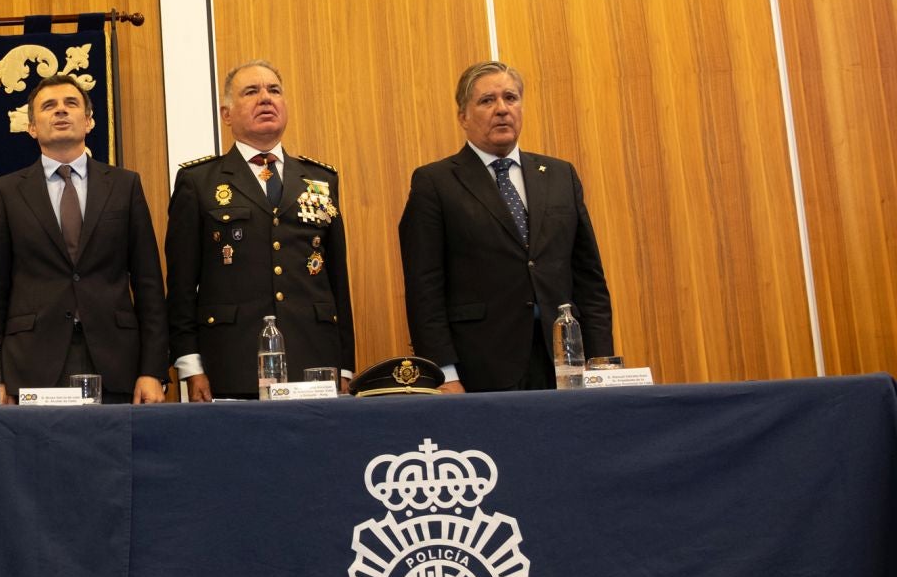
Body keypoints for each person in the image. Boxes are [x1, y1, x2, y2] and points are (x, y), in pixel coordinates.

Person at [398, 60, 613, 392]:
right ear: (463, 116)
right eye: (487, 100)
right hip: (479, 366)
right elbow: (424, 289)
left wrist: (600, 362)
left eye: (510, 98)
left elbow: (589, 279)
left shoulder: (560, 175)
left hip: (562, 363)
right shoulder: (435, 183)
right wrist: (445, 374)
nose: (502, 109)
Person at [166, 60, 354, 398]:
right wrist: (191, 367)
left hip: (313, 359)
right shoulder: (198, 182)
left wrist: (345, 365)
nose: (266, 98)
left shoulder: (320, 179)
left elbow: (338, 282)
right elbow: (181, 287)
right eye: (251, 91)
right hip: (231, 361)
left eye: (274, 90)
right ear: (226, 114)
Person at [0, 74, 167, 403]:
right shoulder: (6, 192)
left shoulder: (124, 186)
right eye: (49, 106)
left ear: (89, 121)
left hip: (116, 359)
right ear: (32, 127)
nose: (61, 110)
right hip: (31, 363)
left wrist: (153, 370)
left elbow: (149, 283)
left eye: (71, 103)